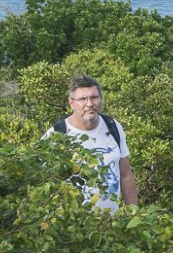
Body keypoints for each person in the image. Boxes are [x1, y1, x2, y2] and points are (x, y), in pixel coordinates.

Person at [46, 75, 139, 211]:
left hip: (112, 225)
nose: (89, 104)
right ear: (71, 102)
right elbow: (43, 182)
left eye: (94, 97)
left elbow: (125, 175)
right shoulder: (57, 134)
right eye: (83, 99)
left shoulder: (113, 126)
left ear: (100, 100)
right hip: (73, 227)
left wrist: (135, 216)